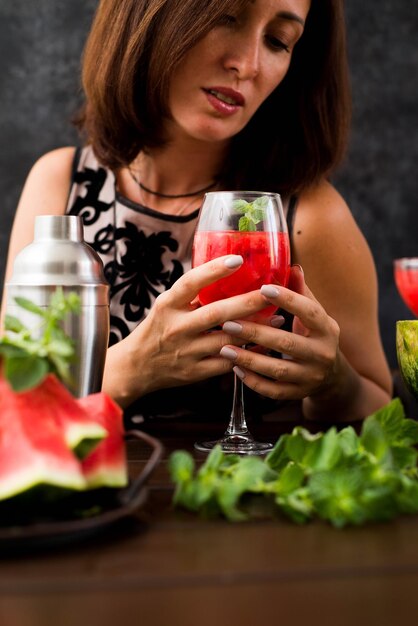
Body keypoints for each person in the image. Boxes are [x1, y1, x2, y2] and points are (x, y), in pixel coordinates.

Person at [2, 0, 392, 428]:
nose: (247, 64)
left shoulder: (305, 217)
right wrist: (132, 368)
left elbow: (379, 410)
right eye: (225, 18)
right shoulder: (60, 182)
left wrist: (334, 382)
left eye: (278, 41)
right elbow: (14, 402)